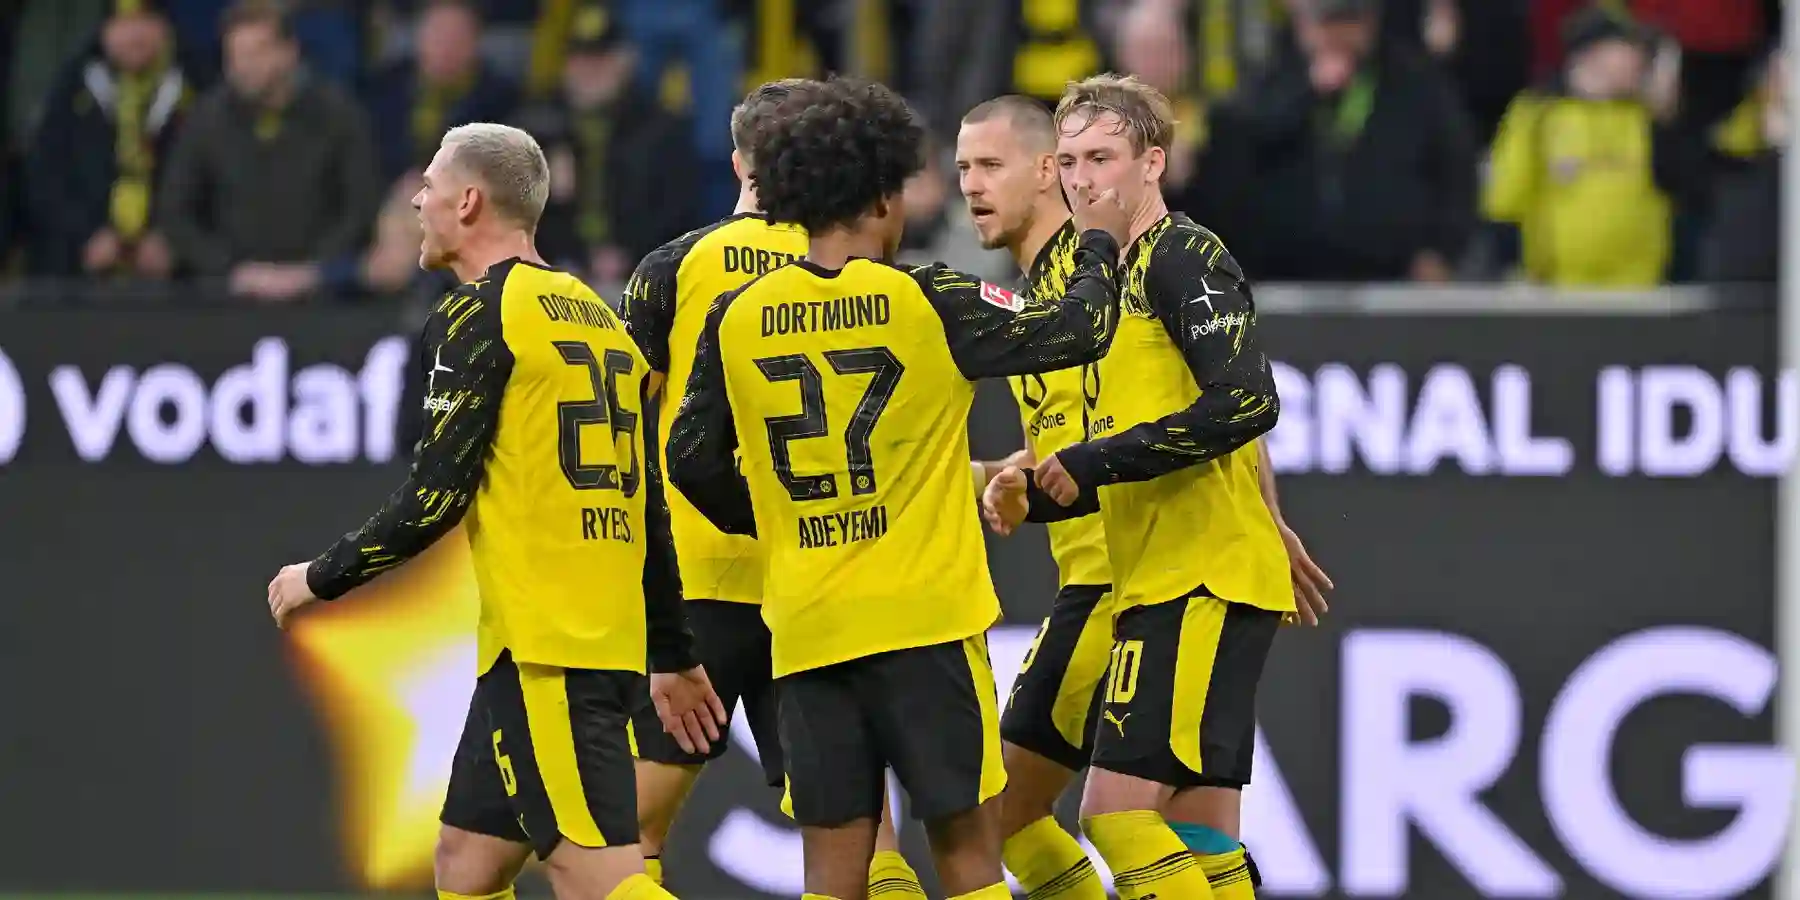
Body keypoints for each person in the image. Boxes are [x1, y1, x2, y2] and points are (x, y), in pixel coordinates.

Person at [665, 75, 1130, 900]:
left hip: (807, 631)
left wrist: (777, 523)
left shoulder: (735, 315)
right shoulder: (926, 297)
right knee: (966, 861)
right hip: (925, 623)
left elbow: (691, 460)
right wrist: (1095, 243)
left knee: (835, 876)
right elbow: (1078, 330)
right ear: (883, 196)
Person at [264, 122, 725, 900]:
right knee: (468, 864)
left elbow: (434, 495)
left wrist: (323, 576)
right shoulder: (596, 316)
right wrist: (672, 650)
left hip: (547, 650)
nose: (416, 199)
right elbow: (643, 500)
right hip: (590, 641)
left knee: (599, 879)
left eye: (431, 186)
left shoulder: (480, 314)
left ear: (469, 201)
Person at [959, 94, 1333, 900]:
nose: (970, 186)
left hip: (1178, 570)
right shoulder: (1108, 273)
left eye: (990, 165)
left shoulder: (1151, 259)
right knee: (1194, 826)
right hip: (1144, 569)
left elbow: (1239, 399)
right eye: (1074, 160)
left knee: (1102, 816)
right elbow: (1117, 430)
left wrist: (1263, 520)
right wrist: (1028, 484)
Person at [619, 77, 925, 896]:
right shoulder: (854, 265)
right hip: (822, 577)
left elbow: (626, 431)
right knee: (865, 840)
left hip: (705, 579)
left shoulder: (675, 266)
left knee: (629, 844)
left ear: (738, 160)